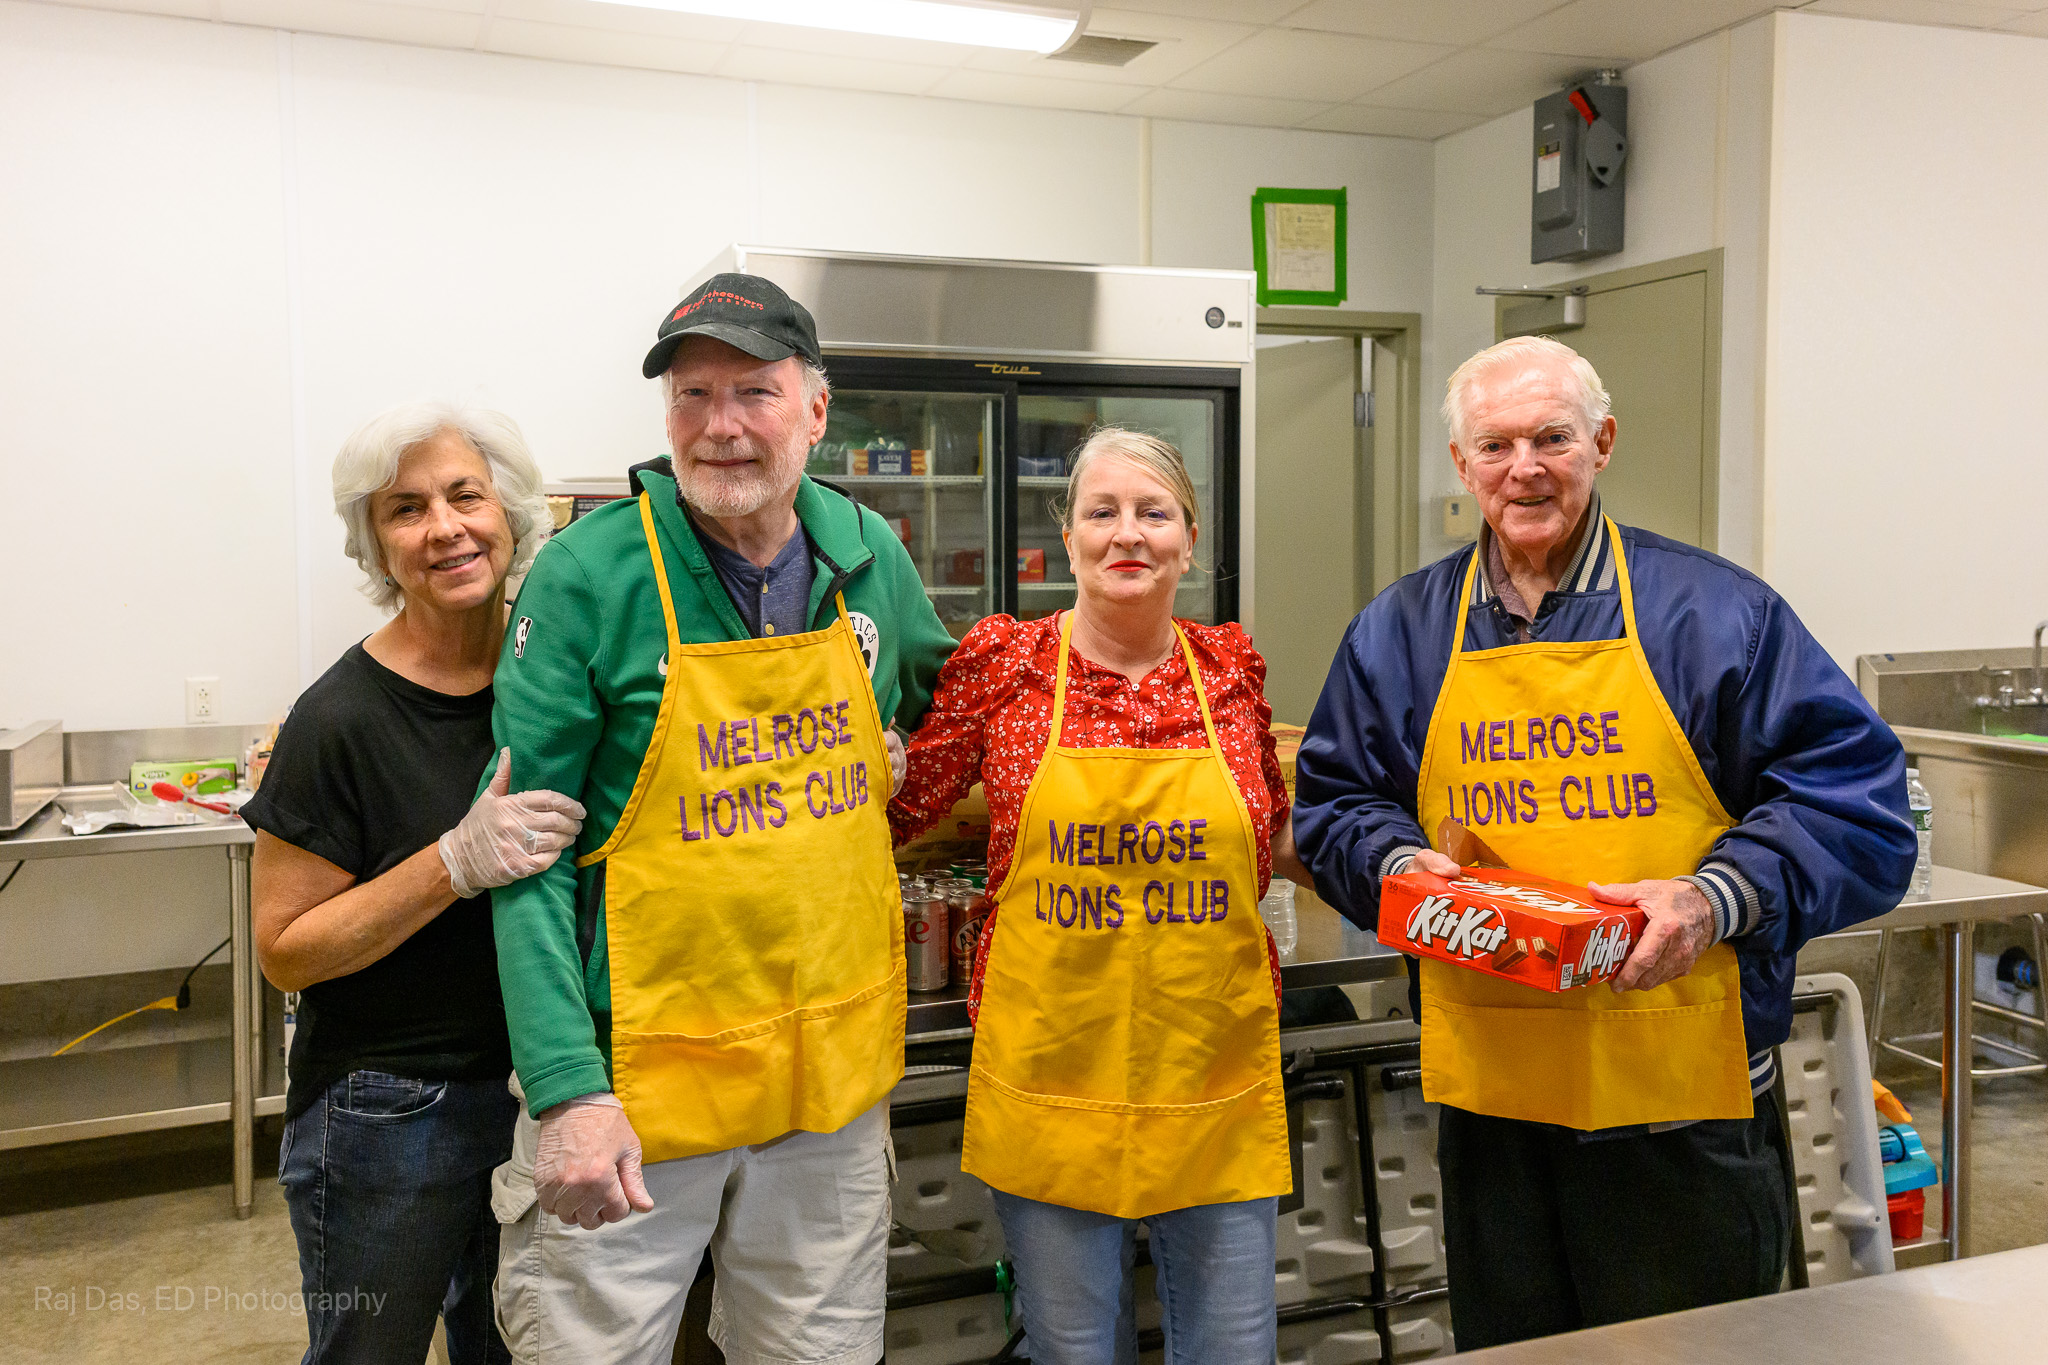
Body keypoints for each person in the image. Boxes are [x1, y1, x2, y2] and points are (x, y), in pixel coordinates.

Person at [1292, 335, 1916, 1348]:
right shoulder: (1398, 631)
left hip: (1679, 1099)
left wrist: (1712, 897)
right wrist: (1395, 865)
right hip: (1494, 1102)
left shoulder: (1720, 616)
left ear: (1602, 443)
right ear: (1460, 465)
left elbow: (1858, 809)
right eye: (1494, 445)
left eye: (1552, 438)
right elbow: (1335, 804)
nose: (1524, 468)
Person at [486, 272, 956, 1365]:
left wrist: (906, 755)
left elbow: (963, 706)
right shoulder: (586, 575)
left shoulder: (866, 553)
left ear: (816, 411)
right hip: (637, 1088)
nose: (721, 426)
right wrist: (567, 1090)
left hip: (828, 1091)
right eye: (692, 395)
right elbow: (527, 859)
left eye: (753, 392)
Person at [890, 427, 1310, 1365]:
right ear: (1070, 535)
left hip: (1213, 1074)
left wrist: (1400, 859)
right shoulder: (1007, 662)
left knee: (1235, 1352)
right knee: (1074, 1352)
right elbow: (902, 807)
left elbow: (1274, 837)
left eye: (1154, 513)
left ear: (1188, 540)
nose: (1128, 533)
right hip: (1053, 1075)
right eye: (1103, 512)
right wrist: (858, 755)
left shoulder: (1228, 668)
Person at [246, 403, 587, 1364]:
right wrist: (451, 864)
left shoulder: (557, 680)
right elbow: (285, 950)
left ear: (511, 512)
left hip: (543, 1093)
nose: (445, 528)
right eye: (406, 509)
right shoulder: (338, 719)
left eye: (465, 495)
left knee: (514, 1348)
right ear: (377, 546)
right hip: (390, 1111)